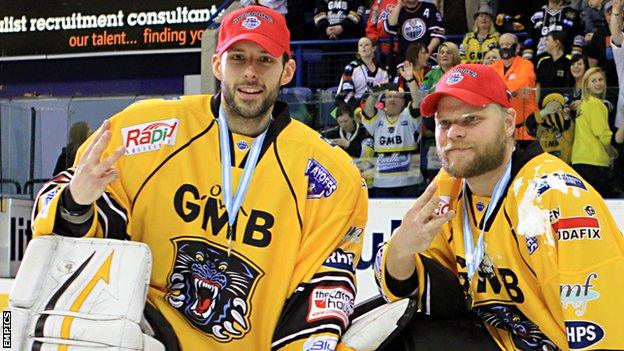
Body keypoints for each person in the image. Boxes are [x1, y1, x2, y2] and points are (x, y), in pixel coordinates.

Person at [30, 6, 368, 350]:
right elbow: (54, 218)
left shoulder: (331, 175)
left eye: (264, 59)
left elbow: (323, 291)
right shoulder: (146, 130)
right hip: (147, 337)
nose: (250, 72)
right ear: (217, 64)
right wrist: (77, 201)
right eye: (238, 58)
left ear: (287, 70)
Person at [374, 63, 624, 349]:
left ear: (508, 124)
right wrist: (403, 248)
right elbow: (406, 290)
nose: (453, 133)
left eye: (470, 120)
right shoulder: (449, 188)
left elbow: (605, 327)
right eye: (444, 123)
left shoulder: (556, 198)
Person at [362, 69, 424, 198]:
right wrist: (374, 95)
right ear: (383, 102)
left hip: (410, 181)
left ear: (403, 102)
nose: (392, 99)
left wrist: (410, 80)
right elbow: (367, 110)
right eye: (389, 97)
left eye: (397, 96)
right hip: (382, 183)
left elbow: (417, 103)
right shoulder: (378, 118)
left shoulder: (408, 116)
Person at [571, 67, 614, 196]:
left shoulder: (583, 104)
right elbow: (604, 136)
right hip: (595, 163)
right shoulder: (596, 104)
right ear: (587, 85)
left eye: (600, 79)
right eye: (593, 81)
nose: (598, 83)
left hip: (579, 160)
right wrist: (611, 154)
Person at [491, 32, 538, 149]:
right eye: (501, 45)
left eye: (508, 44)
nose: (504, 47)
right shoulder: (493, 68)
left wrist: (500, 91)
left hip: (525, 130)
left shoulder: (526, 65)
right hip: (503, 130)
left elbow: (520, 85)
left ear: (517, 48)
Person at [336, 37, 389, 109]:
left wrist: (379, 107)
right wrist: (357, 109)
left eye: (367, 44)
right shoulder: (351, 68)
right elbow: (346, 93)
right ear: (358, 50)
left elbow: (385, 92)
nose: (363, 47)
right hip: (353, 108)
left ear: (374, 49)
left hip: (376, 109)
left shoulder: (383, 70)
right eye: (360, 45)